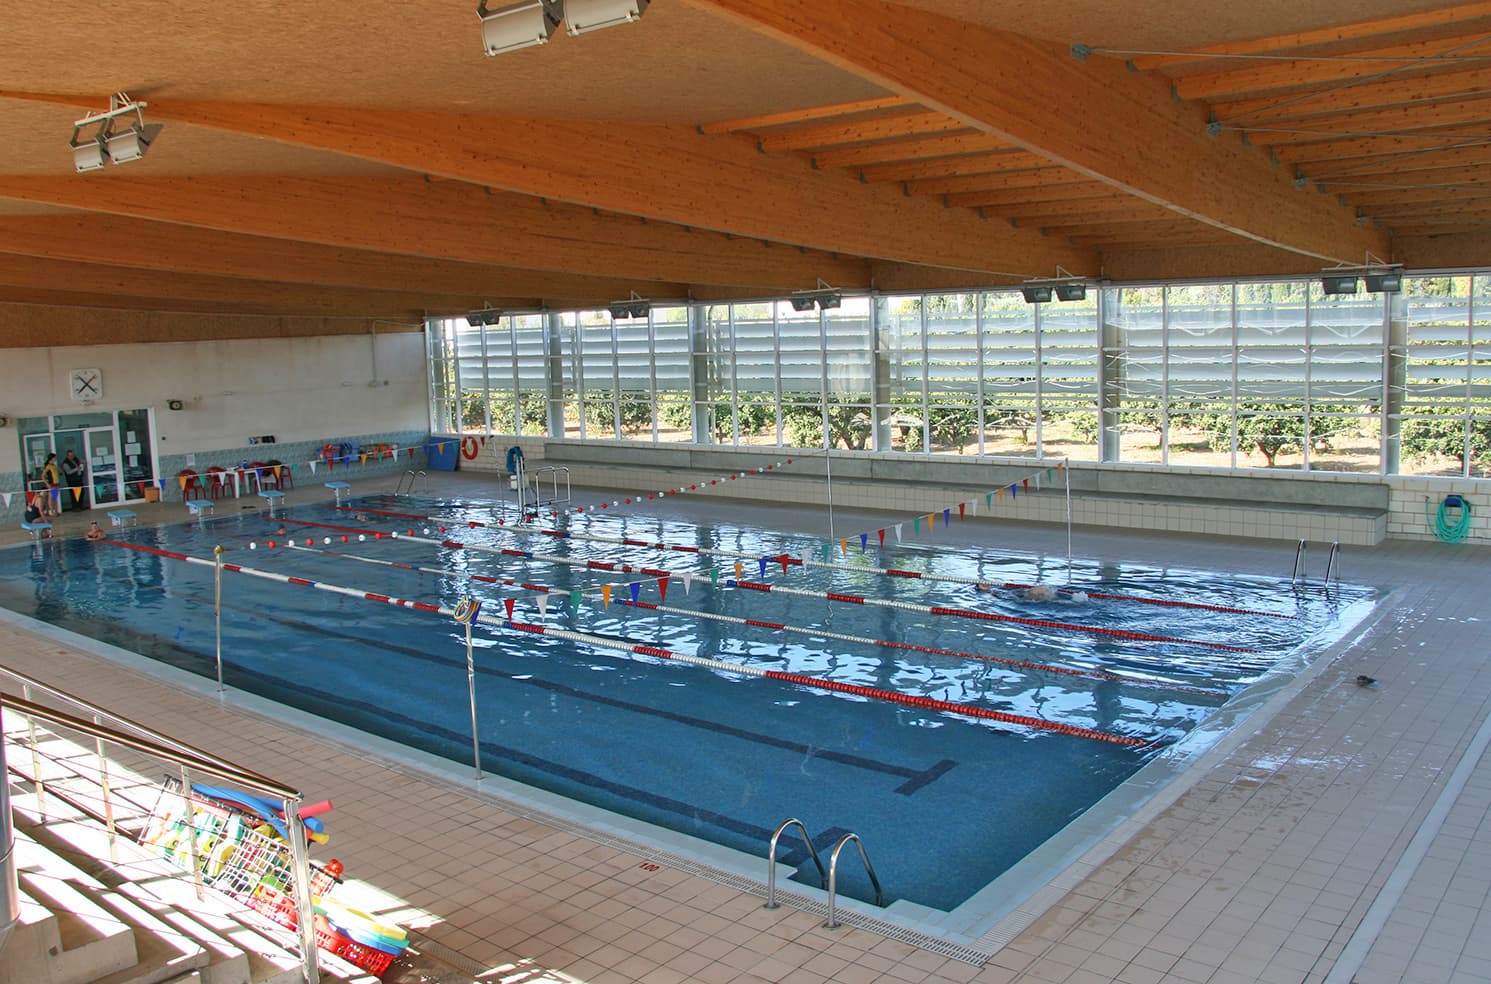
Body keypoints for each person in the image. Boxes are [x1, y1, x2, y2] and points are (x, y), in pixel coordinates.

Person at [39, 453, 61, 518]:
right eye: (55, 458)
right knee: (50, 499)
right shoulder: (48, 466)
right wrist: (47, 484)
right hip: (52, 484)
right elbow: (42, 476)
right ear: (52, 458)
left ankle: (56, 512)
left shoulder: (54, 465)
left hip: (56, 484)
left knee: (55, 498)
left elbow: (59, 473)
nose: (55, 459)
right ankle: (52, 512)